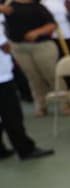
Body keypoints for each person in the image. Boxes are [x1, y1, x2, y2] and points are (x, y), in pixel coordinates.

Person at [0, 0, 60, 116]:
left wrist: (37, 32)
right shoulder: (8, 3)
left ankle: (64, 102)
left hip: (41, 45)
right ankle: (41, 104)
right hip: (19, 46)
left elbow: (52, 24)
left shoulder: (38, 7)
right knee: (32, 77)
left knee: (50, 74)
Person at [0, 25, 54, 160]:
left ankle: (1, 150)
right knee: (11, 115)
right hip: (2, 78)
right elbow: (5, 46)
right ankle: (25, 149)